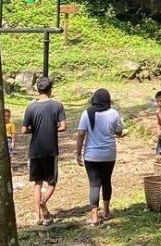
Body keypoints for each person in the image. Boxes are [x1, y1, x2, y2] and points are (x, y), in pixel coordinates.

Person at [22, 76, 67, 226]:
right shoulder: (57, 106)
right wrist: (51, 129)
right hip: (51, 149)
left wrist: (35, 130)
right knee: (52, 182)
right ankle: (43, 202)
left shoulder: (31, 107)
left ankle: (38, 217)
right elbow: (63, 126)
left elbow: (24, 130)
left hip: (35, 150)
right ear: (50, 90)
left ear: (37, 89)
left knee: (37, 183)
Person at [76, 88, 123, 227]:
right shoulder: (114, 113)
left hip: (91, 155)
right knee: (106, 181)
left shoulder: (87, 113)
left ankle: (94, 217)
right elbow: (119, 132)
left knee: (94, 184)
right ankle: (107, 211)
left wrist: (78, 152)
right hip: (109, 154)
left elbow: (80, 134)